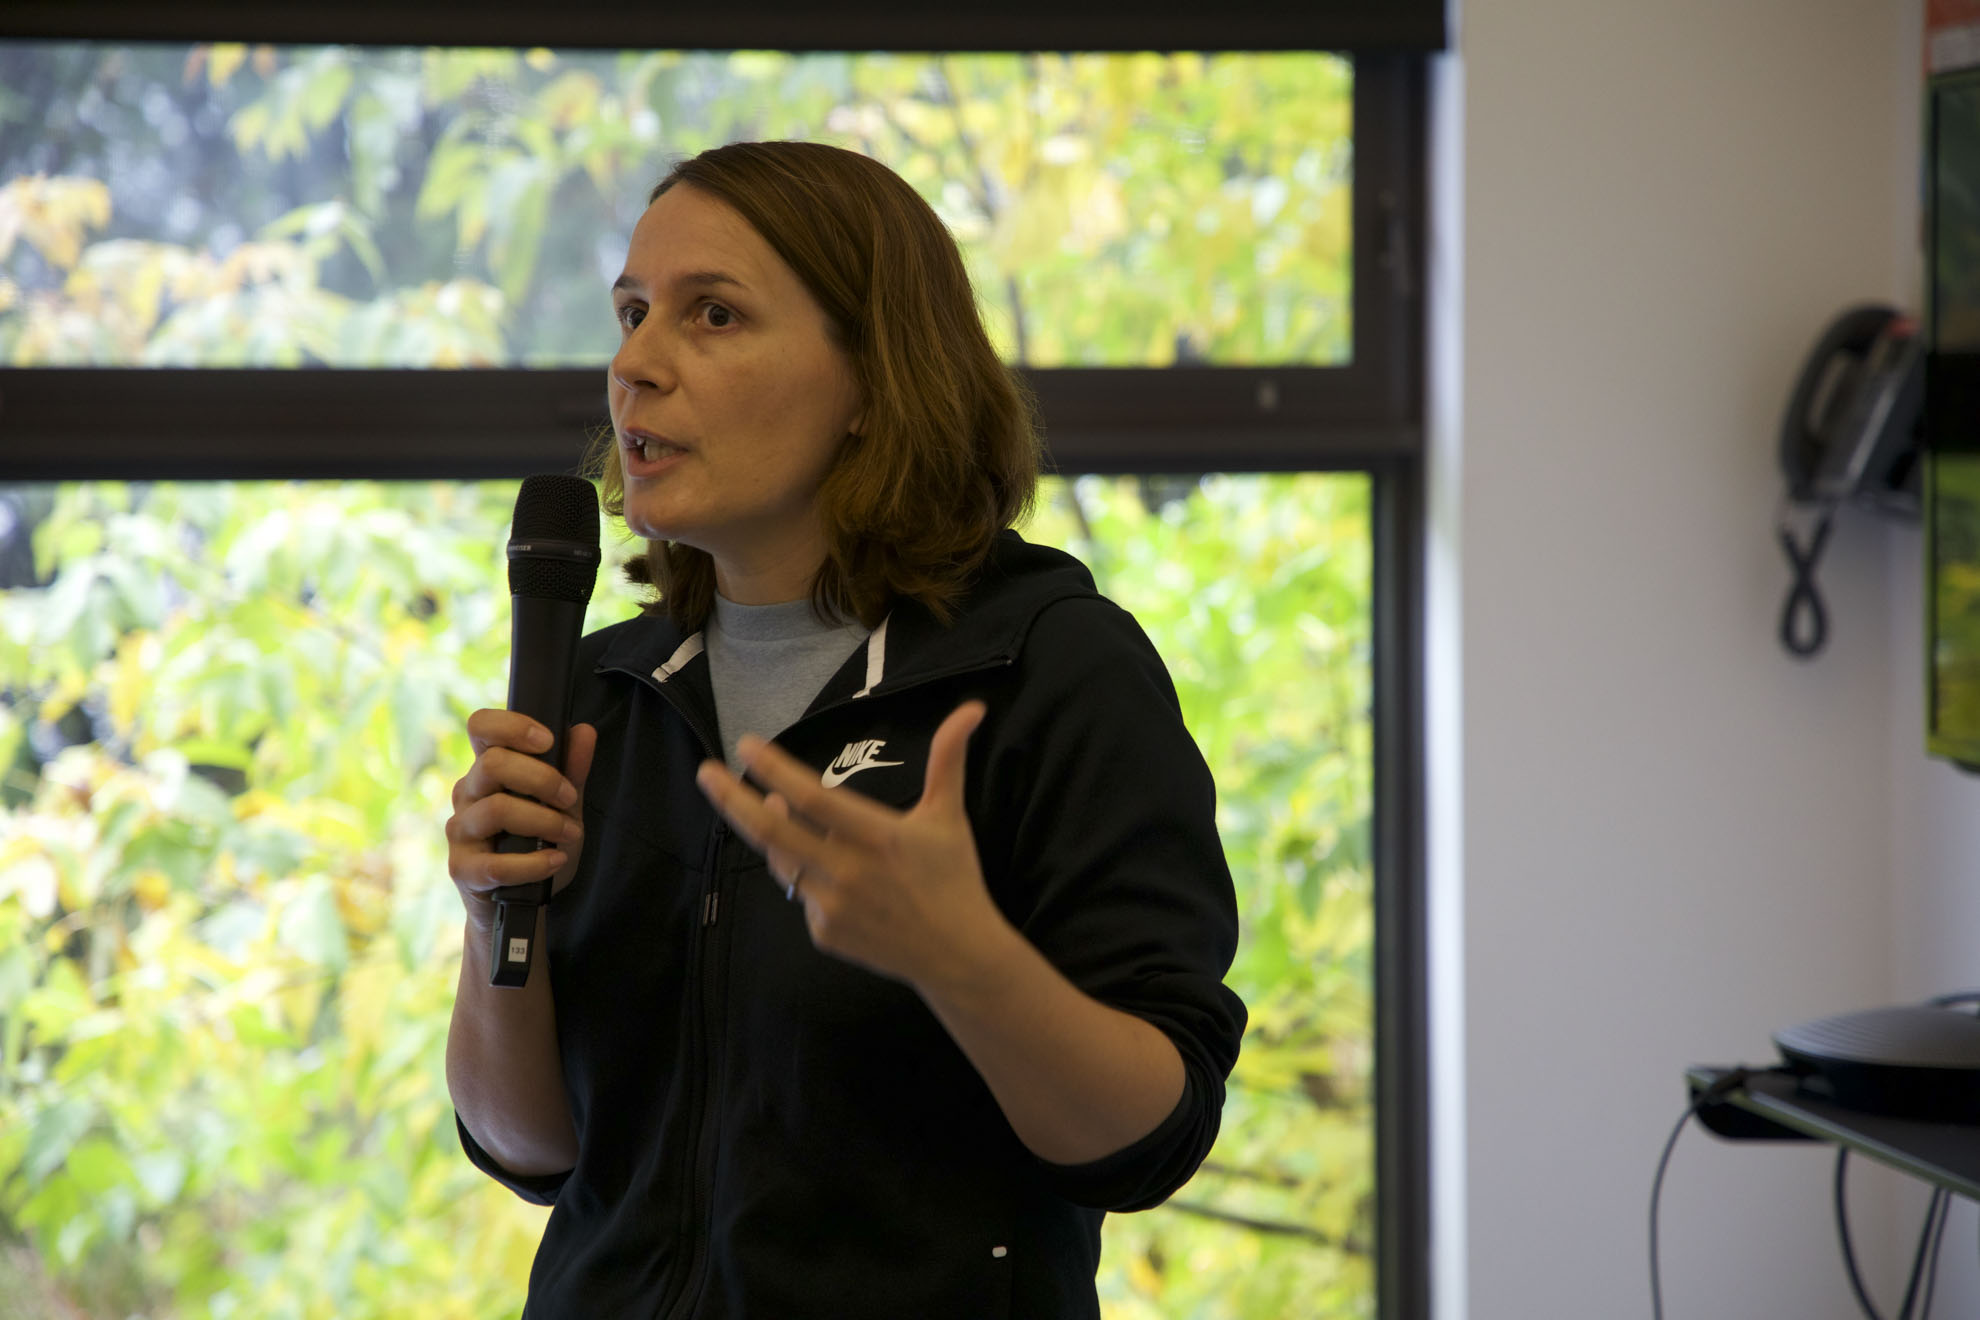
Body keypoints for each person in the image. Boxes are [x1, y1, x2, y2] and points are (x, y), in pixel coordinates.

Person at [443, 139, 1246, 1320]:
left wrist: (960, 957)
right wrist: (491, 919)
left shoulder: (1048, 668)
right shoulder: (602, 691)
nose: (635, 365)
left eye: (713, 314)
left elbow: (1151, 1139)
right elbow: (534, 1151)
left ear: (874, 380)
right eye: (632, 312)